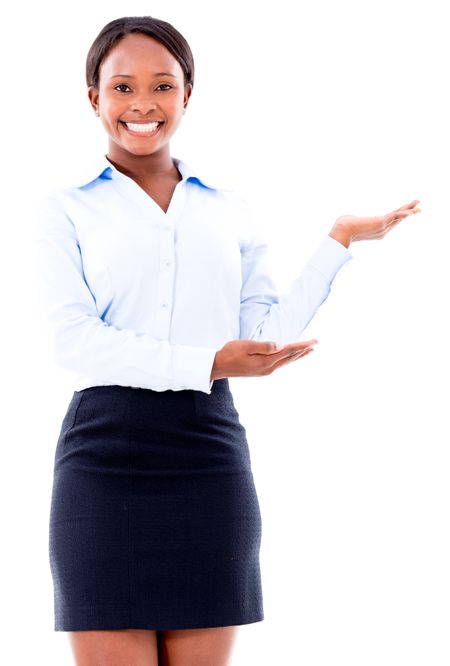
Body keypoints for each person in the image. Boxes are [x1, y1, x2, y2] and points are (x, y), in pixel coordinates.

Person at [33, 15, 421, 666]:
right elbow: (74, 341)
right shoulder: (65, 208)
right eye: (122, 87)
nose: (143, 104)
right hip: (102, 459)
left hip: (207, 455)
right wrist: (208, 361)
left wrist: (339, 241)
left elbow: (262, 337)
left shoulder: (226, 208)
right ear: (93, 97)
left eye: (163, 85)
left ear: (188, 95)